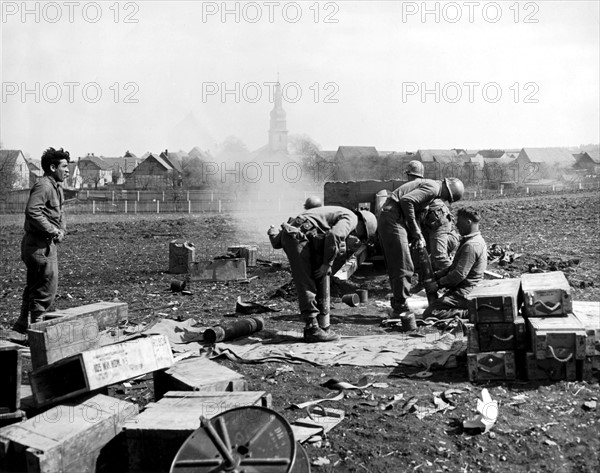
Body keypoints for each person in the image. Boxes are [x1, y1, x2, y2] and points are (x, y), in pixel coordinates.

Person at [268, 206, 377, 343]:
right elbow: (334, 235)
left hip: (296, 235)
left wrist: (273, 234)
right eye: (361, 235)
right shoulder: (352, 218)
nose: (356, 235)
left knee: (309, 280)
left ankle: (318, 326)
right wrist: (327, 264)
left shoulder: (336, 213)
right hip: (297, 239)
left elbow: (290, 236)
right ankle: (312, 329)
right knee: (306, 282)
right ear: (363, 224)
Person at [378, 175, 464, 317]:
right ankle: (399, 306)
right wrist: (416, 230)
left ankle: (399, 301)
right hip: (394, 218)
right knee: (404, 265)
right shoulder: (434, 188)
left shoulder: (431, 187)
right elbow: (407, 201)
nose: (442, 201)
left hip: (392, 217)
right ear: (447, 191)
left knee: (400, 263)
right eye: (446, 198)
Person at [12, 147, 70, 334]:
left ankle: (22, 327)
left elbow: (59, 214)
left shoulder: (56, 187)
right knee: (45, 288)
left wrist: (61, 230)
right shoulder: (44, 186)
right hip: (38, 245)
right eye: (64, 166)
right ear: (53, 167)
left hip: (44, 243)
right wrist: (53, 230)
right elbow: (32, 211)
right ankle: (36, 333)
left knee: (35, 285)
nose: (67, 170)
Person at [422, 207, 487, 319]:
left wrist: (438, 285)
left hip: (465, 292)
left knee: (431, 312)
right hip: (466, 288)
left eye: (459, 222)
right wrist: (437, 276)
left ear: (468, 222)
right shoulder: (474, 241)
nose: (456, 225)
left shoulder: (471, 245)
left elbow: (459, 274)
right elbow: (454, 267)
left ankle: (468, 313)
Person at [403, 161, 459, 274]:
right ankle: (424, 282)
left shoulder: (424, 187)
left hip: (438, 222)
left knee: (439, 257)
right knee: (419, 255)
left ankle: (456, 279)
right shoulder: (420, 185)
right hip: (430, 223)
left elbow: (420, 210)